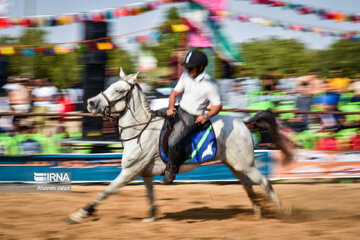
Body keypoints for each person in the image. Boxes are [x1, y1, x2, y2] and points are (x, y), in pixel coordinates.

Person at [160, 50, 222, 184]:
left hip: (193, 118)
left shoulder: (210, 84)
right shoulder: (185, 76)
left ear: (200, 67)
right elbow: (174, 93)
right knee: (154, 115)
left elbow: (218, 106)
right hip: (179, 109)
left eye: (190, 67)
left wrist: (206, 116)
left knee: (173, 141)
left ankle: (171, 171)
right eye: (186, 67)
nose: (187, 69)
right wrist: (171, 107)